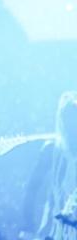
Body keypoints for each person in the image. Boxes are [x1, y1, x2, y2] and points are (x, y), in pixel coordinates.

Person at [22, 91, 77, 240]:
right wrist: (27, 227)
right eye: (68, 119)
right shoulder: (52, 150)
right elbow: (31, 189)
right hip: (52, 231)